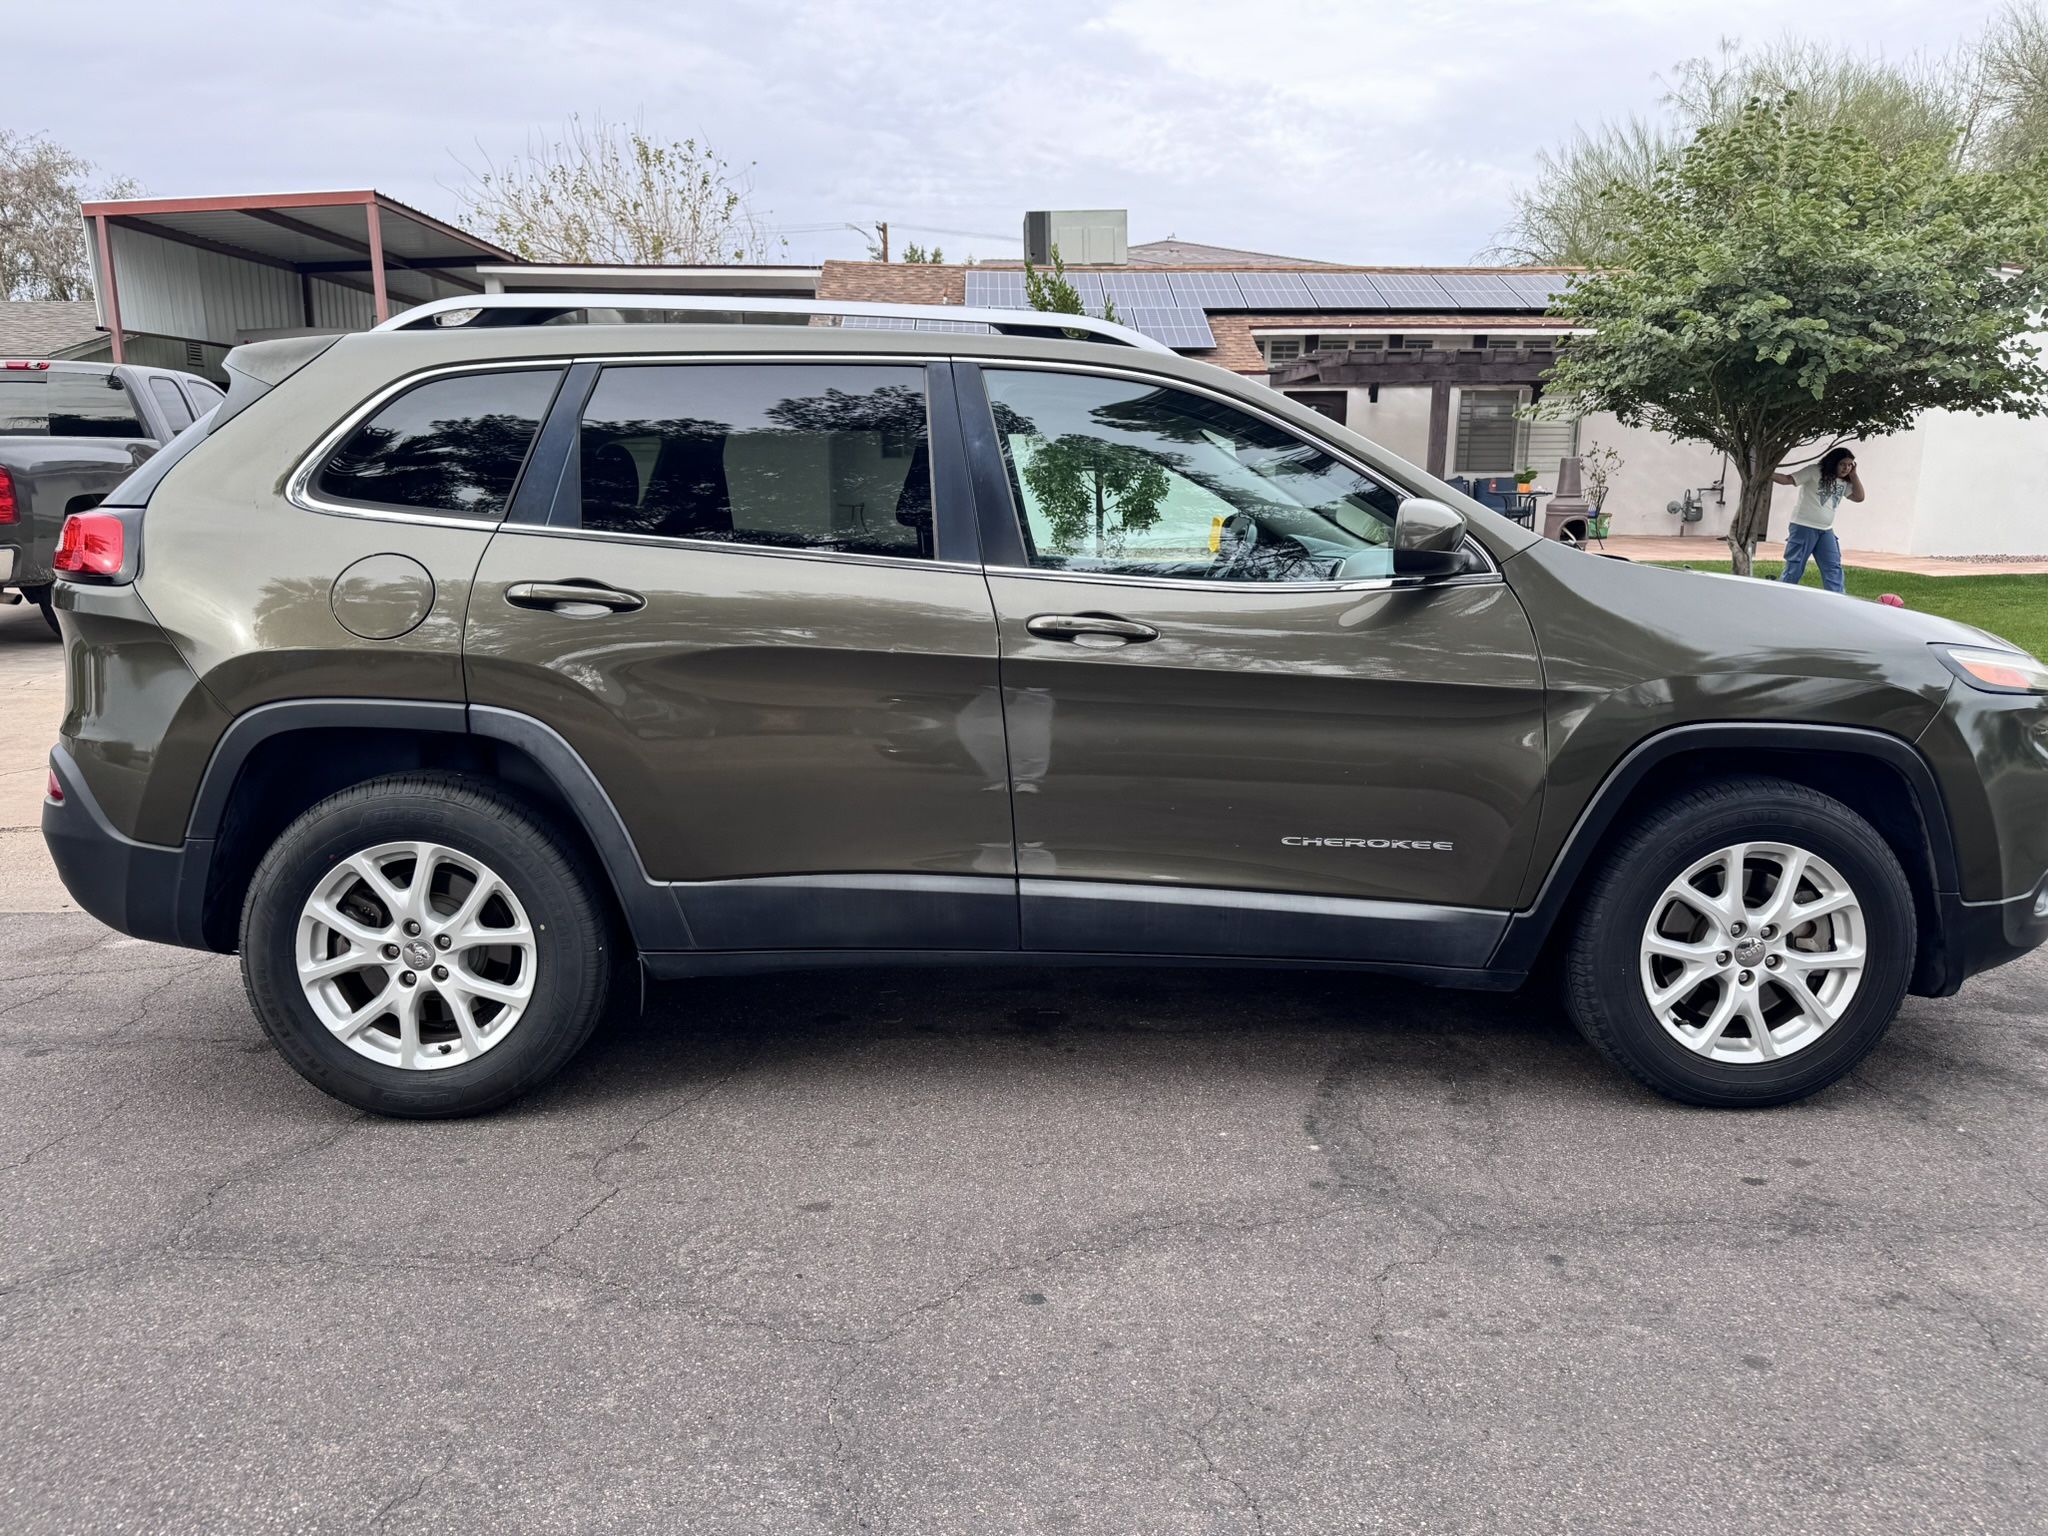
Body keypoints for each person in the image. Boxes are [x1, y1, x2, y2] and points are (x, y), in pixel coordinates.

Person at [1771, 447, 1863, 593]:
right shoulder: (1814, 471)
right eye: (1842, 464)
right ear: (1833, 462)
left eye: (1850, 464)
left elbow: (1859, 497)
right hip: (1803, 526)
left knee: (1833, 567)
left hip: (1826, 530)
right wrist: (1766, 473)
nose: (1846, 468)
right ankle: (1781, 595)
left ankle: (1838, 600)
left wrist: (1854, 476)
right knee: (1795, 567)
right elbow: (1788, 479)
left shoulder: (1844, 482)